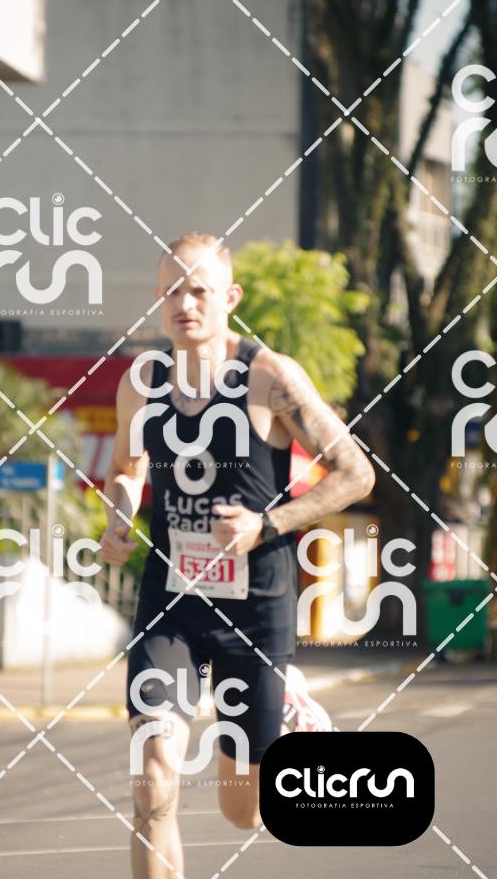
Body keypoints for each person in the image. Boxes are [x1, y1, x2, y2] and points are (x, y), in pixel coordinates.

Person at [101, 233, 375, 878]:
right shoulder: (142, 382)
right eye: (172, 290)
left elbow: (356, 474)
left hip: (256, 609)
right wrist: (118, 516)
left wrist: (266, 523)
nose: (184, 303)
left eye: (199, 290)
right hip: (171, 601)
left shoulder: (270, 377)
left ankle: (289, 709)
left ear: (230, 296)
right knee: (152, 778)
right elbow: (125, 469)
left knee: (244, 812)